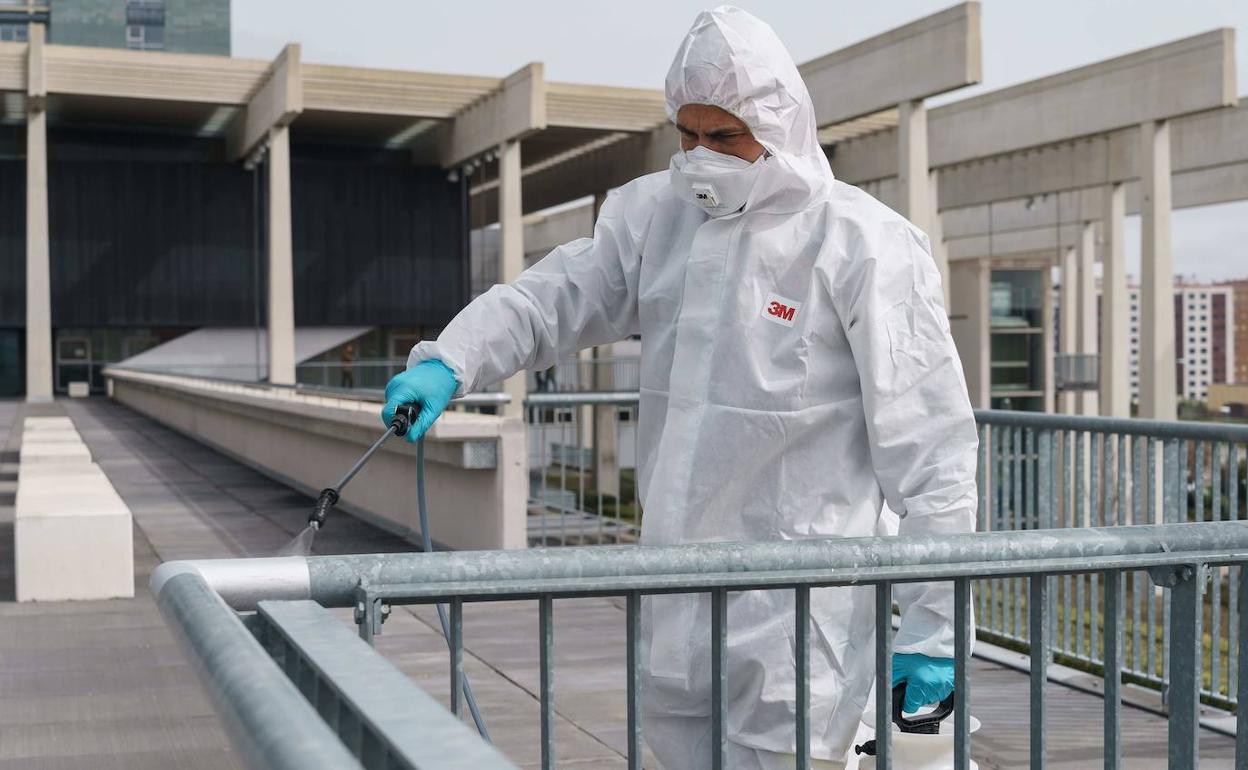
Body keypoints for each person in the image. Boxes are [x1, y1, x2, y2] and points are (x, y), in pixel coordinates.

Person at [382, 6, 978, 768]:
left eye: (725, 136)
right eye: (688, 135)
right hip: (675, 591)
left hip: (800, 609)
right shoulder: (653, 217)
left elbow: (933, 453)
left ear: (781, 123)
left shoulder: (864, 246)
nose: (702, 156)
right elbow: (552, 299)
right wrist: (453, 359)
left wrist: (933, 634)